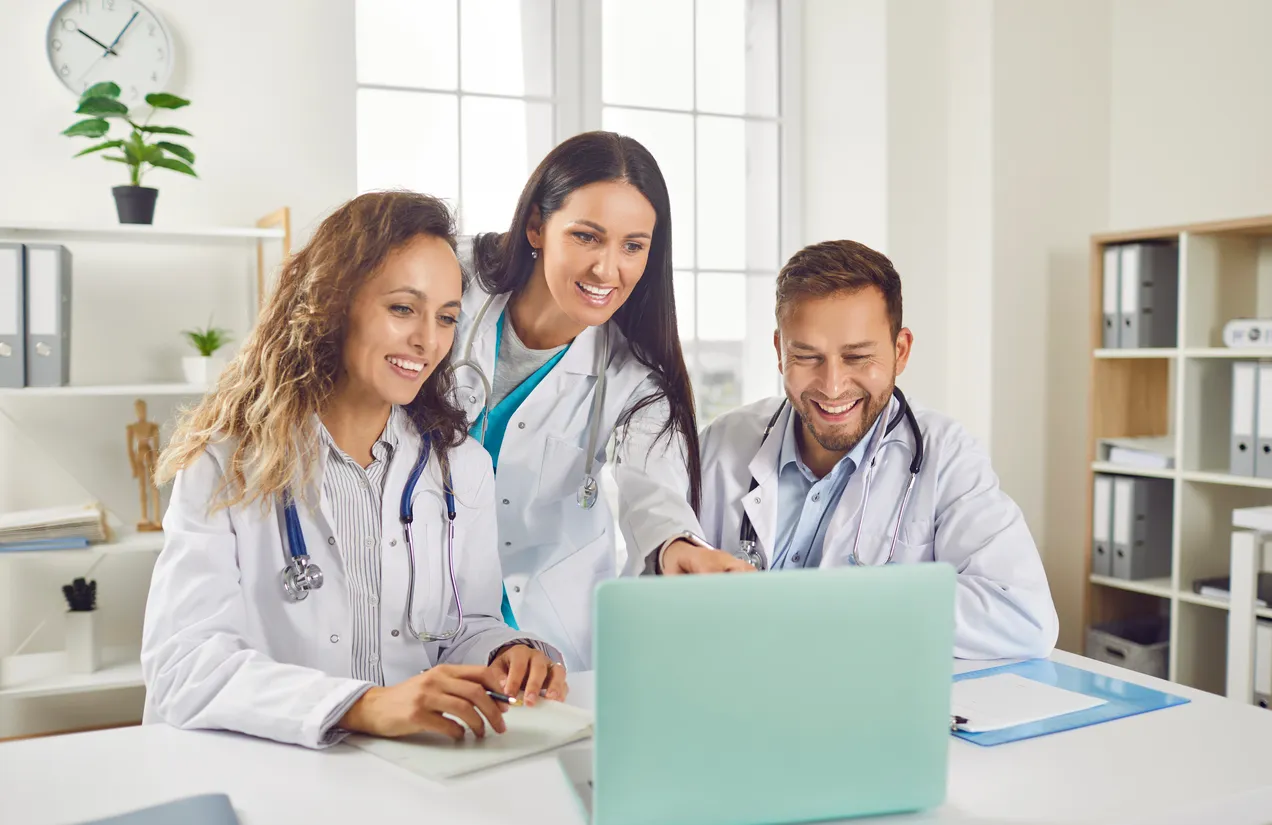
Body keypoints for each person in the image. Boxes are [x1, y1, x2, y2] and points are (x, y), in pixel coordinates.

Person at [141, 192, 567, 750]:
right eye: (402, 309)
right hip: (269, 768)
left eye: (446, 318)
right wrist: (363, 706)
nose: (428, 340)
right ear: (334, 302)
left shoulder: (460, 467)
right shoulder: (227, 464)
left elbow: (465, 625)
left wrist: (506, 653)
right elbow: (184, 666)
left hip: (407, 767)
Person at [677, 239, 1059, 660]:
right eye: (807, 356)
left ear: (900, 351)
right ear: (780, 353)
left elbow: (1024, 616)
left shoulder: (945, 456)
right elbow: (652, 593)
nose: (832, 386)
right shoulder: (722, 442)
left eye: (858, 357)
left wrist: (836, 605)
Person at [452, 131, 746, 671]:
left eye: (633, 246)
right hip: (422, 615)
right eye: (587, 237)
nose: (608, 271)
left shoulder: (633, 376)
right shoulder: (453, 282)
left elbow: (652, 489)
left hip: (543, 637)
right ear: (537, 226)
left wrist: (677, 546)